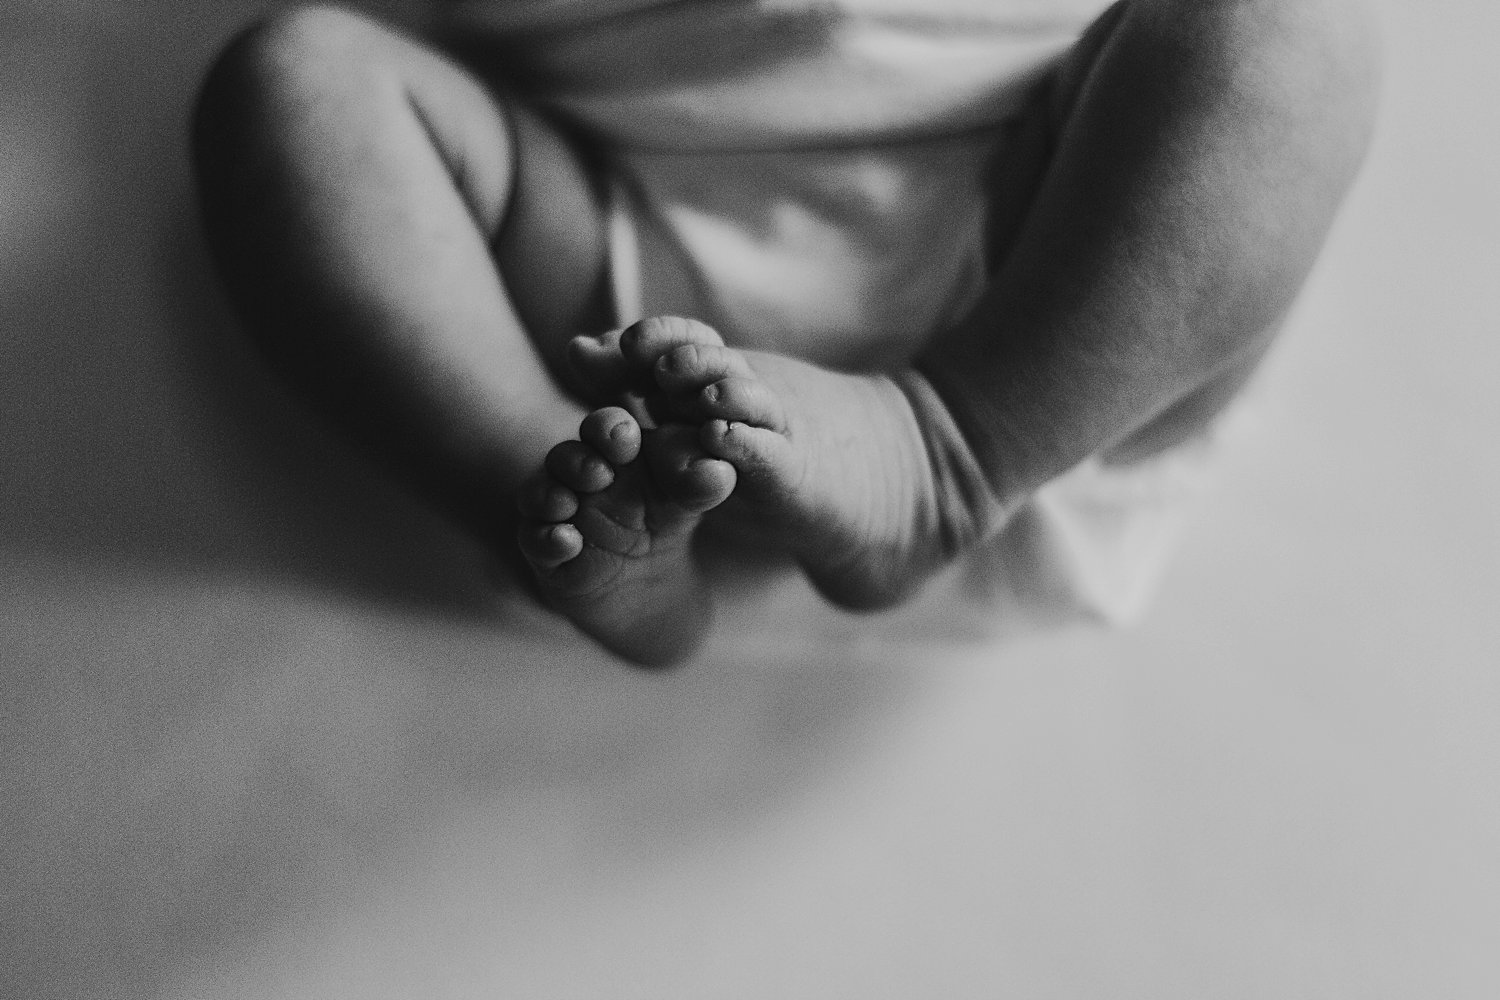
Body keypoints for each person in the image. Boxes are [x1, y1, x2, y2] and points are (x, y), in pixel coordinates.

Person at [191, 0, 1380, 666]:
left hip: (1047, 263)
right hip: (610, 273)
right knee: (300, 85)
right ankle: (554, 499)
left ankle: (947, 449)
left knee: (1284, 28)